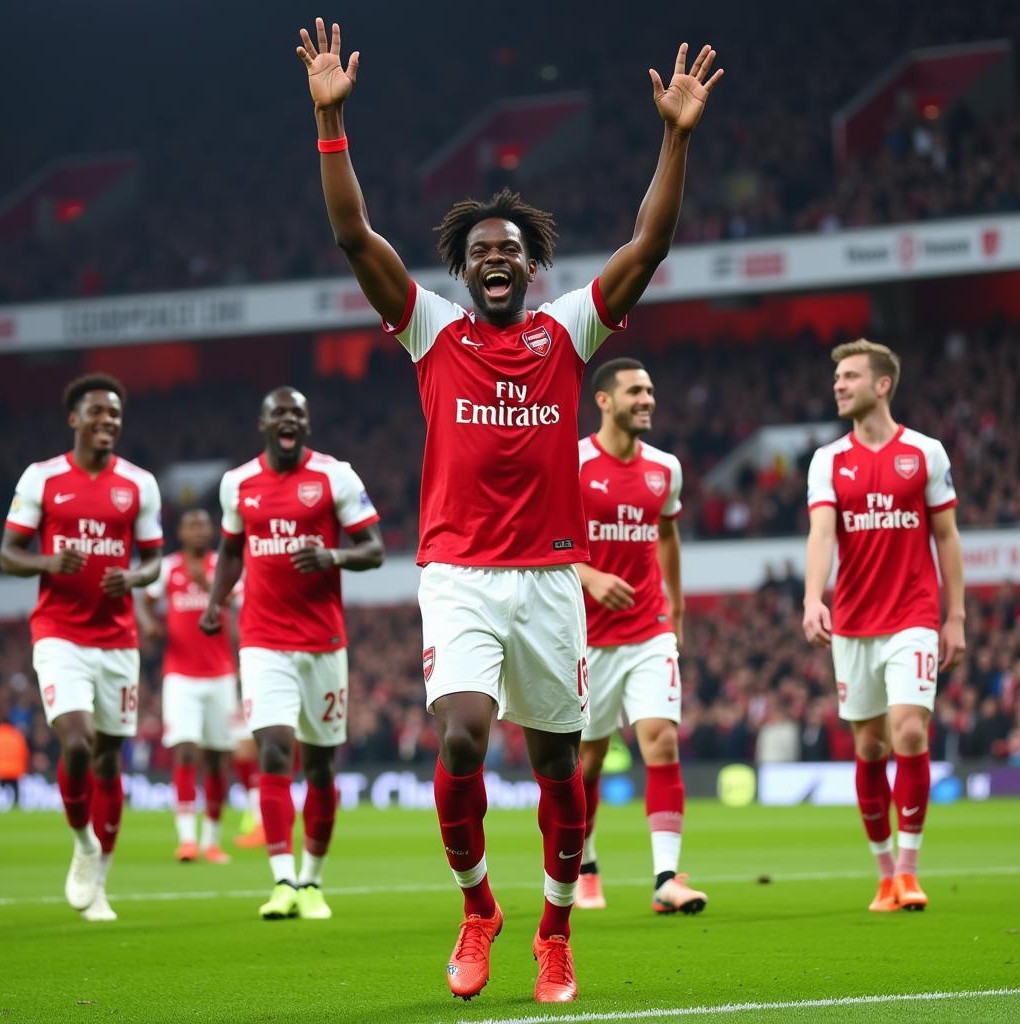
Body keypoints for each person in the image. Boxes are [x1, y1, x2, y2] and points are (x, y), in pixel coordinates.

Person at [295, 16, 721, 1003]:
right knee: (458, 734)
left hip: (546, 579)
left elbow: (649, 241)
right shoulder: (430, 330)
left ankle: (554, 928)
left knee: (562, 769)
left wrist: (677, 134)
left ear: (533, 268)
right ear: (463, 265)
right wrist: (330, 125)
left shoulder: (566, 334)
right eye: (482, 247)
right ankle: (477, 906)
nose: (496, 257)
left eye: (512, 249)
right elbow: (351, 235)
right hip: (457, 572)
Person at [199, 386, 383, 921]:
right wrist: (215, 604)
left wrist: (332, 554)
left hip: (324, 643)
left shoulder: (335, 476)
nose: (289, 419)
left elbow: (372, 549)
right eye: (279, 412)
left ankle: (313, 881)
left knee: (321, 767)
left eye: (298, 413)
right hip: (262, 640)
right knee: (275, 753)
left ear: (306, 423)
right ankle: (282, 880)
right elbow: (232, 551)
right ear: (263, 423)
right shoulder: (238, 484)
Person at [802, 339, 965, 913]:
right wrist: (812, 597)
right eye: (837, 377)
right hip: (853, 621)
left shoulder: (925, 453)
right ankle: (884, 875)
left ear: (882, 384)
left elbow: (946, 537)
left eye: (850, 376)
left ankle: (910, 870)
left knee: (910, 732)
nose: (839, 385)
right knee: (869, 746)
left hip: (913, 617)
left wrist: (957, 616)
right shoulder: (828, 460)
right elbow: (822, 534)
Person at [0, 374, 162, 921]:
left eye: (114, 415)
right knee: (76, 742)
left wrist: (134, 578)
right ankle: (83, 843)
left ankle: (101, 878)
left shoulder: (138, 484)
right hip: (59, 633)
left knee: (110, 758)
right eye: (97, 413)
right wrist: (47, 562)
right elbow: (9, 554)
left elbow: (153, 559)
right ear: (74, 419)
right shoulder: (42, 479)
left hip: (117, 639)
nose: (107, 422)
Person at [573, 358, 707, 917]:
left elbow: (669, 535)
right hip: (583, 637)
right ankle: (583, 866)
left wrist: (675, 605)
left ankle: (666, 878)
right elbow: (541, 539)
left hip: (648, 628)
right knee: (588, 760)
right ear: (604, 400)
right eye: (635, 391)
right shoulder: (573, 461)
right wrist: (589, 575)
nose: (647, 399)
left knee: (661, 739)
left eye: (651, 390)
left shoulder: (664, 469)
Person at [139, 508, 239, 864]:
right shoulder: (167, 568)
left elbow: (240, 604)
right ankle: (186, 839)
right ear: (179, 532)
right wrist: (149, 625)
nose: (199, 531)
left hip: (221, 675)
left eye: (204, 525)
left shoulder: (224, 566)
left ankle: (212, 840)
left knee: (216, 760)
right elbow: (142, 599)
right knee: (184, 751)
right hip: (179, 675)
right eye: (191, 525)